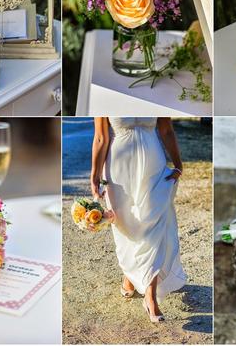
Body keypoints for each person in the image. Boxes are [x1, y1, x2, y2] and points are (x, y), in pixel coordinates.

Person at [90, 117, 186, 323]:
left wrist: (178, 163)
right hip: (118, 169)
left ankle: (150, 296)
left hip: (153, 166)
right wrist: (94, 174)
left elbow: (166, 130)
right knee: (126, 224)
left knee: (152, 222)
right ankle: (130, 274)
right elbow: (100, 137)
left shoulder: (155, 88)